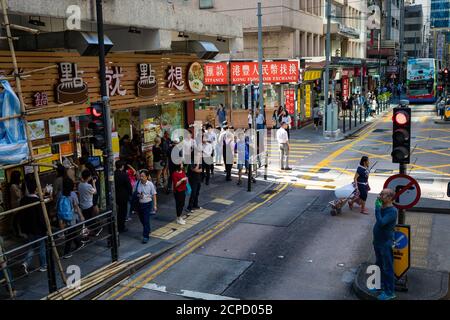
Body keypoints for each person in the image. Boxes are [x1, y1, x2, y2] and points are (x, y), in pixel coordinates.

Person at [372, 188, 398, 300]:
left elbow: (381, 222)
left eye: (383, 194)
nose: (380, 196)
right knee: (379, 264)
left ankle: (389, 292)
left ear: (390, 198)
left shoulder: (392, 211)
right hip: (377, 241)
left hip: (385, 243)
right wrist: (379, 208)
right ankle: (380, 285)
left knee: (387, 268)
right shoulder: (383, 207)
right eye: (381, 193)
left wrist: (377, 209)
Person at [20, 179, 47, 273]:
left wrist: (23, 230)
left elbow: (21, 217)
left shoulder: (23, 200)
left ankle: (26, 262)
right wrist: (46, 228)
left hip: (29, 229)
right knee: (41, 247)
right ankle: (43, 265)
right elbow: (41, 217)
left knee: (32, 246)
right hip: (39, 229)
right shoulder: (37, 201)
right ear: (35, 188)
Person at [59, 178, 85, 257]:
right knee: (70, 234)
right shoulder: (73, 194)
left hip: (62, 216)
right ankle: (66, 253)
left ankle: (78, 243)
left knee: (71, 232)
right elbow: (76, 206)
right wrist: (81, 216)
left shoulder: (61, 194)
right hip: (71, 216)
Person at [134, 170, 157, 244]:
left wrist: (155, 205)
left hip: (147, 204)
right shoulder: (137, 183)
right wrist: (139, 195)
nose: (141, 177)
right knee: (142, 219)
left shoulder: (150, 184)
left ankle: (145, 236)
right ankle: (147, 229)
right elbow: (134, 193)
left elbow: (154, 194)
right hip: (139, 204)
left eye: (143, 176)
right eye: (140, 176)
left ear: (147, 177)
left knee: (146, 219)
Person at [78, 169, 99, 235]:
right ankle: (93, 231)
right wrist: (93, 183)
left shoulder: (80, 185)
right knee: (89, 220)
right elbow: (95, 192)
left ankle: (87, 232)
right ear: (89, 177)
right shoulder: (88, 186)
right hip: (89, 205)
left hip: (82, 205)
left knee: (86, 219)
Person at [115, 161, 132, 233]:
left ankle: (117, 225)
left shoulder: (113, 174)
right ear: (122, 166)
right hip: (123, 196)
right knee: (122, 212)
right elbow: (129, 186)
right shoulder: (124, 175)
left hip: (115, 195)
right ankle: (121, 227)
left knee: (118, 211)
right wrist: (130, 194)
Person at [8, 170, 23, 237]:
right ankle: (18, 232)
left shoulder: (17, 185)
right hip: (16, 205)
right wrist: (20, 188)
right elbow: (18, 195)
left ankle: (19, 232)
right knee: (17, 219)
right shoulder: (13, 186)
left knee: (18, 219)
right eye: (19, 177)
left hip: (19, 203)